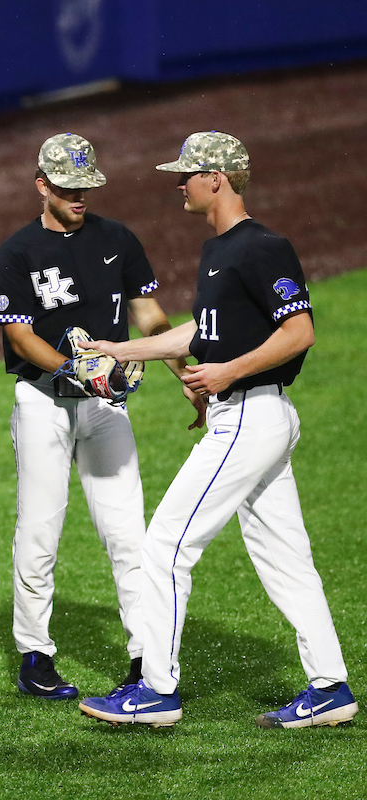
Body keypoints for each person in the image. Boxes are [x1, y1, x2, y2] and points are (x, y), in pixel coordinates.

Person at [79, 131, 358, 728]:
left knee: (164, 546)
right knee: (286, 557)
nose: (178, 183)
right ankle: (331, 687)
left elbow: (298, 331)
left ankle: (156, 690)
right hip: (249, 416)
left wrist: (227, 372)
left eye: (187, 174)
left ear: (218, 179)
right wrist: (121, 346)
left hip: (250, 417)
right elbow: (198, 333)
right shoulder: (217, 251)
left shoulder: (263, 247)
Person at [0, 133, 203, 700]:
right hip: (42, 404)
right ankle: (35, 654)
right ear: (42, 186)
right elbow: (18, 334)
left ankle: (143, 655)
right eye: (67, 187)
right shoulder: (16, 253)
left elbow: (150, 315)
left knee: (128, 535)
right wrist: (75, 370)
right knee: (39, 532)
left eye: (86, 185)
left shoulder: (118, 239)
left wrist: (183, 372)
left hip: (106, 409)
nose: (80, 195)